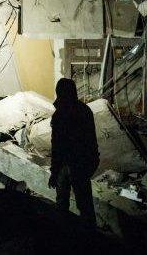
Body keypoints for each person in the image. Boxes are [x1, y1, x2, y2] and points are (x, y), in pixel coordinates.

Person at [48, 78, 99, 226]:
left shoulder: (59, 115)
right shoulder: (85, 111)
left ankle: (65, 238)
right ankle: (89, 240)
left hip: (68, 166)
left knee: (62, 206)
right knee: (86, 207)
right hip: (82, 165)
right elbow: (91, 142)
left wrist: (54, 172)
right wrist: (92, 164)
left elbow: (57, 147)